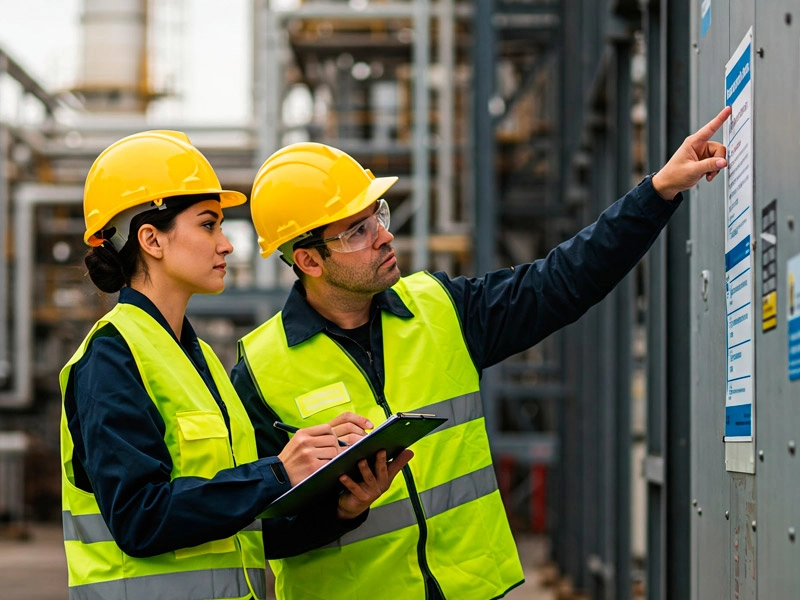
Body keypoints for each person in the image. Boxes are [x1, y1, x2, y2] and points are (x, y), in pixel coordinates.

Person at [232, 106, 732, 599]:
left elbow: (562, 281)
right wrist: (340, 511)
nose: (384, 236)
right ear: (308, 260)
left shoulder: (440, 308)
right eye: (357, 231)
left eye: (377, 215)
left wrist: (659, 190)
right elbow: (256, 533)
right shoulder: (261, 369)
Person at [59, 130, 411, 600]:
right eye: (209, 225)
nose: (226, 245)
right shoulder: (111, 357)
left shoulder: (198, 358)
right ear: (151, 239)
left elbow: (242, 532)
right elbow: (139, 519)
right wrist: (278, 472)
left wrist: (342, 509)